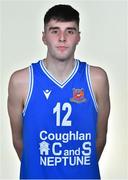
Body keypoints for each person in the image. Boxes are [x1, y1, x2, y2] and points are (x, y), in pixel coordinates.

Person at [8, 4, 110, 179]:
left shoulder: (96, 79)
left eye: (70, 31)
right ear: (44, 37)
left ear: (78, 37)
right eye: (55, 31)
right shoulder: (21, 81)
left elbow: (100, 138)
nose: (62, 38)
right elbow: (19, 141)